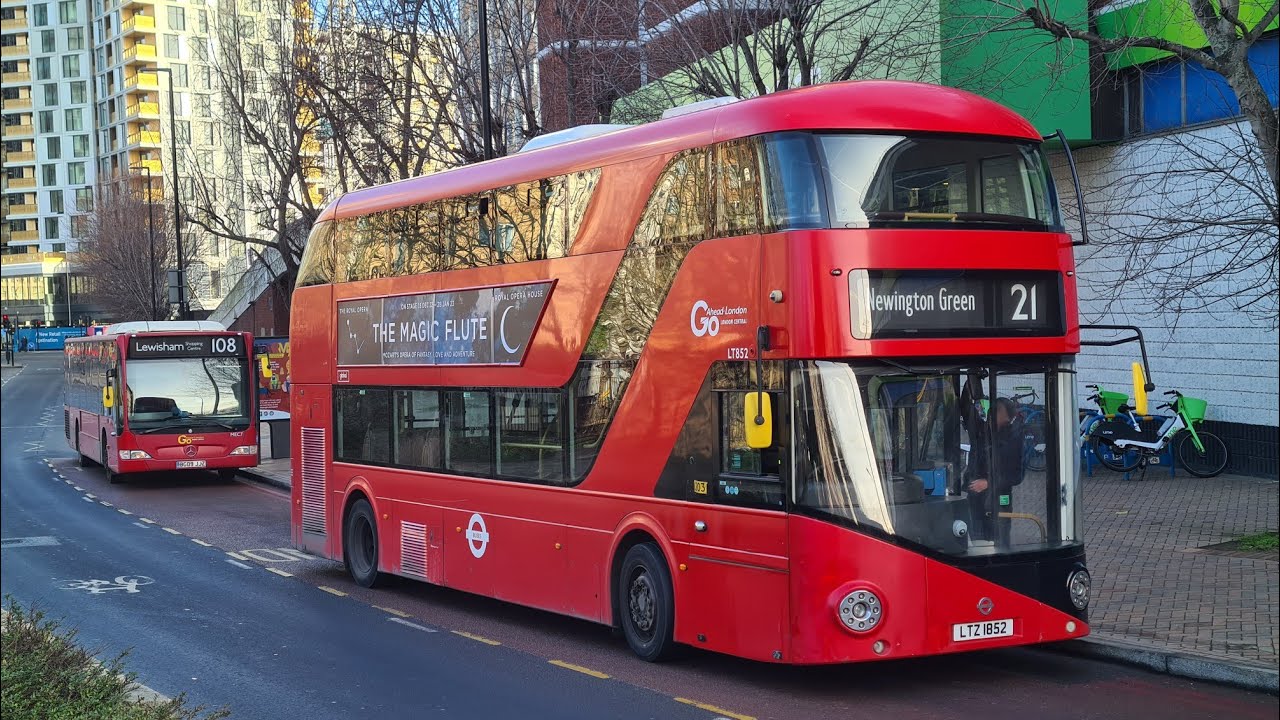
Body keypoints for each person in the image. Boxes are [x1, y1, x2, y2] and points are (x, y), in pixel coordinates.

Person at [961, 393, 1024, 543]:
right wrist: (972, 382)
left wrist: (988, 483)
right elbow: (966, 409)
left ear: (1008, 417)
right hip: (976, 500)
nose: (992, 415)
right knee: (977, 541)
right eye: (992, 411)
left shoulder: (1014, 439)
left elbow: (1016, 475)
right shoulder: (982, 432)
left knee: (999, 541)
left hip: (998, 500)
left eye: (997, 412)